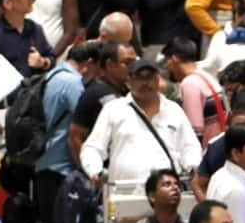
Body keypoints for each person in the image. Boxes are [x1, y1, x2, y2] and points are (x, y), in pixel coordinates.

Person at [80, 60, 202, 189]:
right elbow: (92, 148)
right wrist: (95, 171)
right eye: (139, 78)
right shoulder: (114, 109)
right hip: (124, 193)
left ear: (158, 80)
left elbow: (190, 146)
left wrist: (191, 166)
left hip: (167, 194)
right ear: (129, 81)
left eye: (150, 77)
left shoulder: (174, 110)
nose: (145, 83)